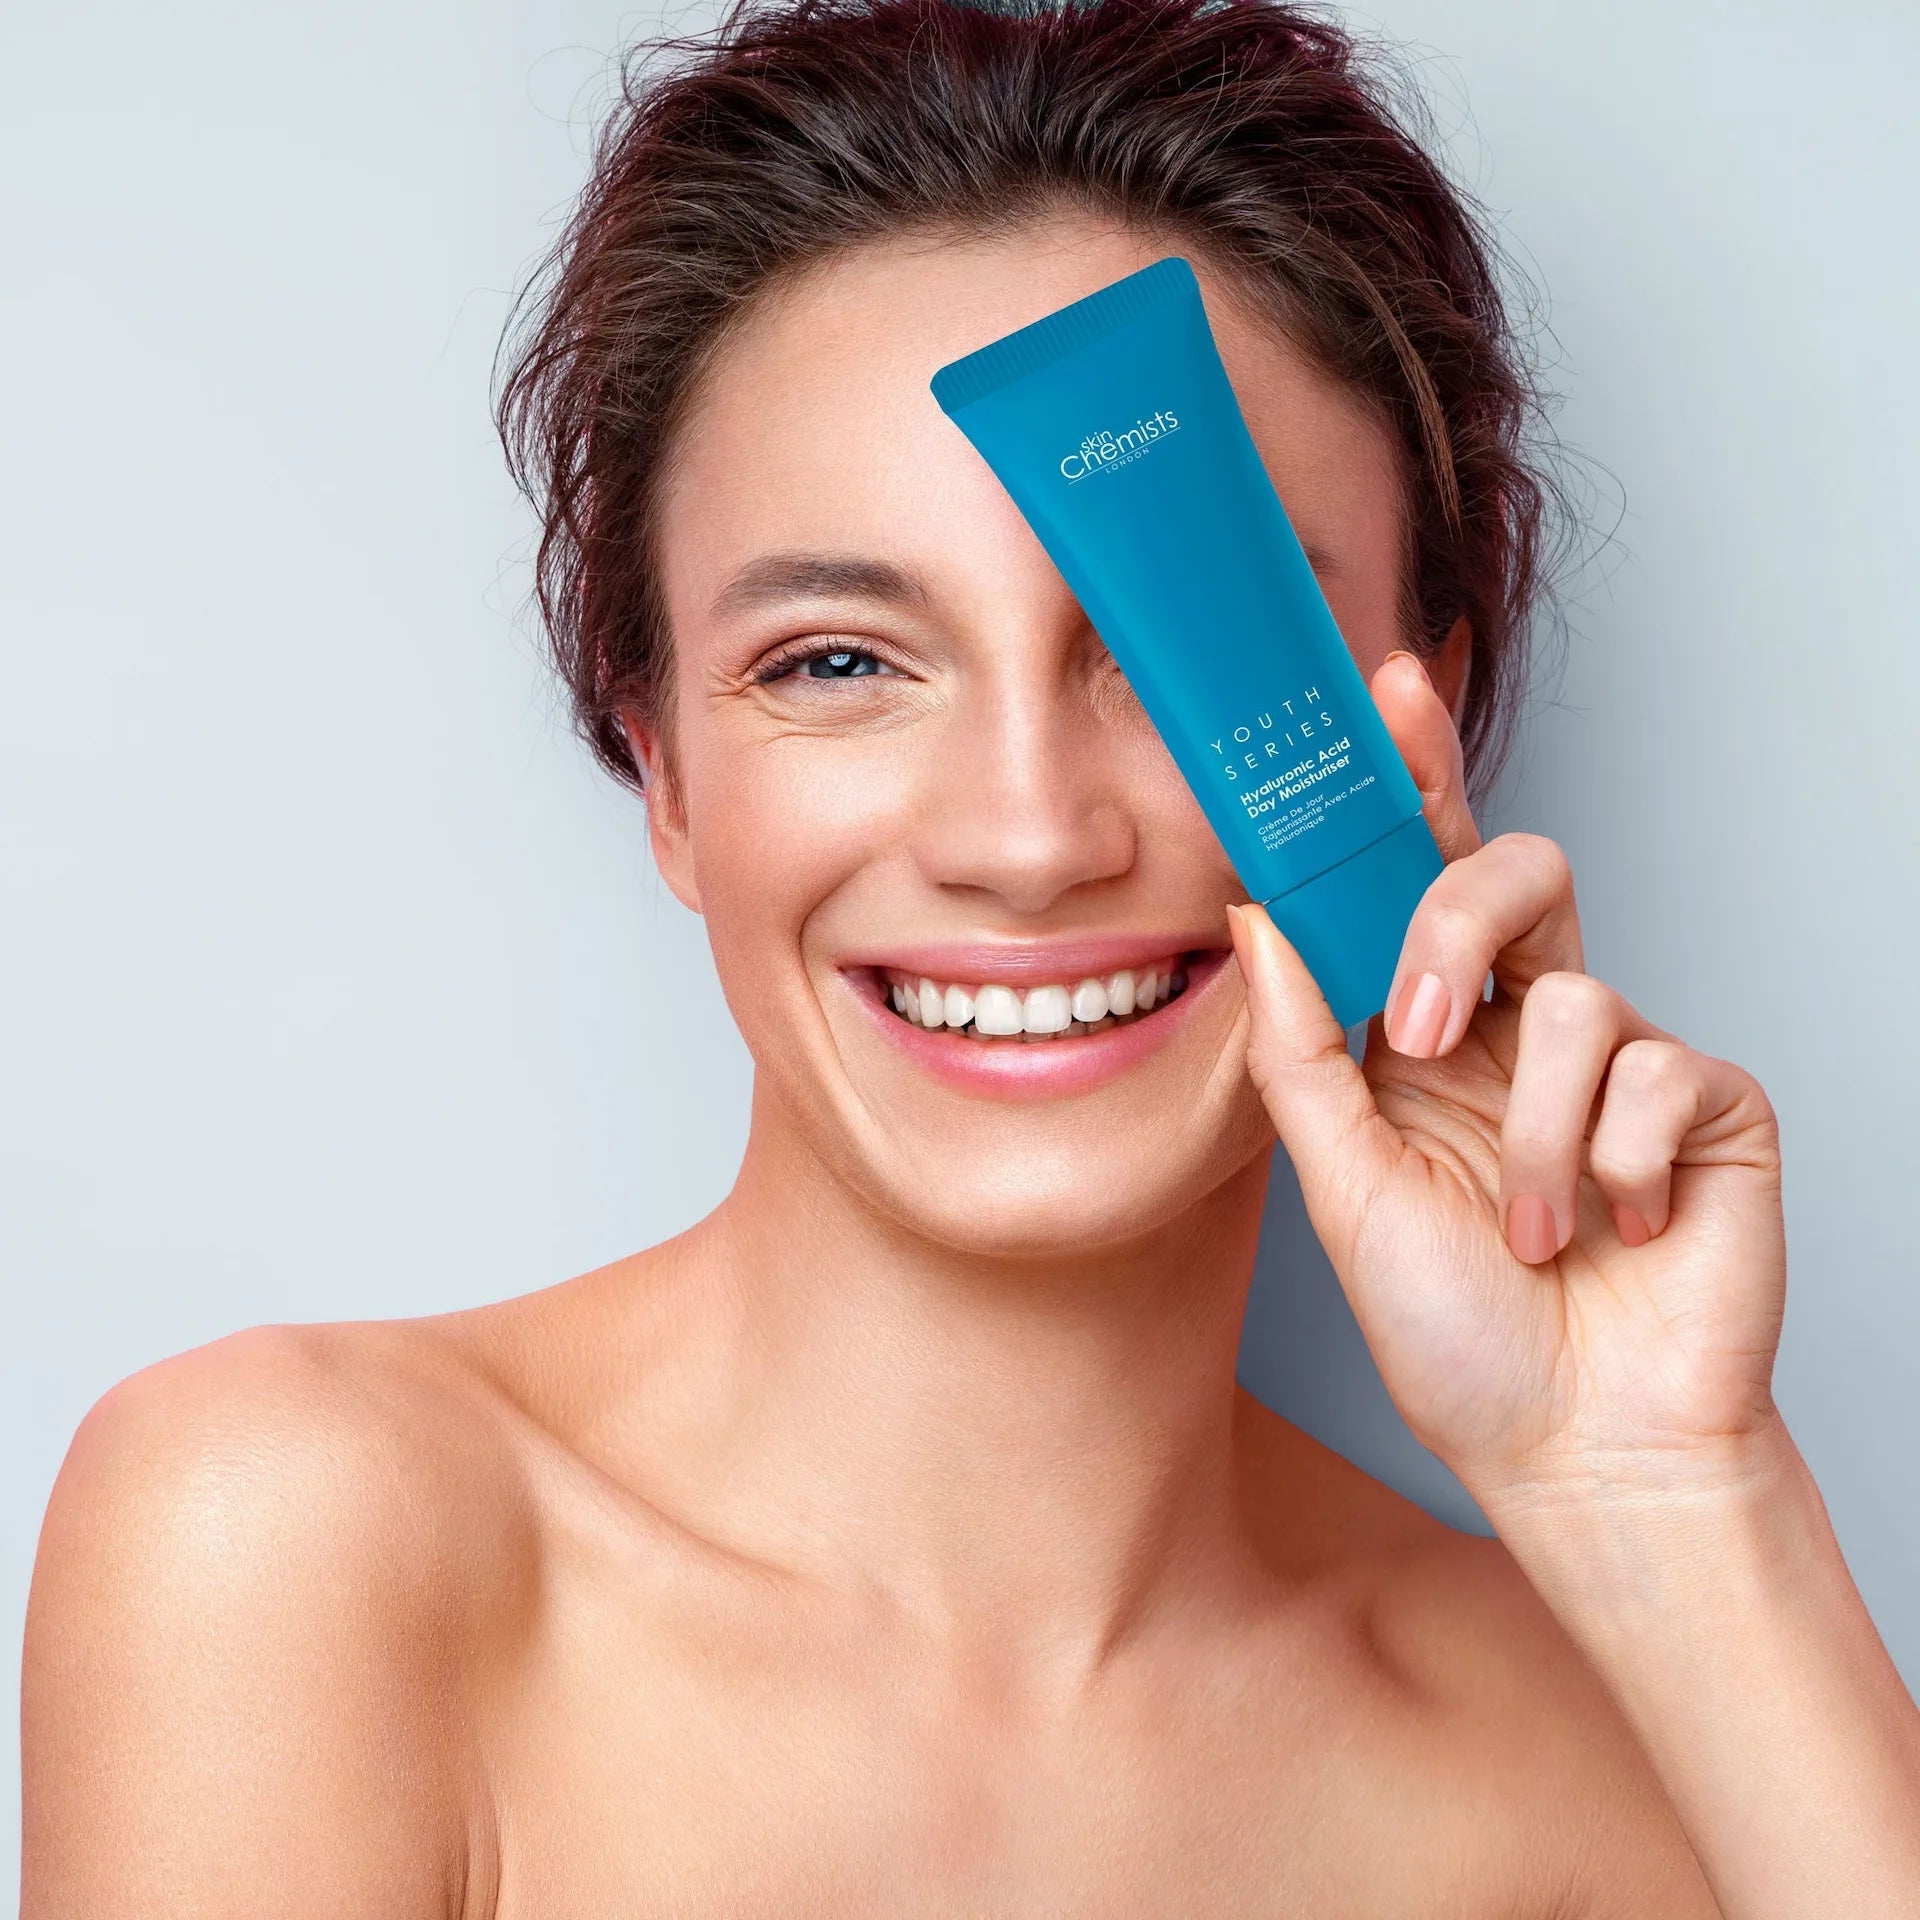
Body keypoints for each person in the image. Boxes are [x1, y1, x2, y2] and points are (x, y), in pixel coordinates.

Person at [22, 0, 1920, 1912]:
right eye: (837, 663)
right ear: (666, 774)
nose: (1030, 841)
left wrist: (1671, 1507)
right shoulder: (300, 1546)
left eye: (1179, 653)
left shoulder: (1603, 1762)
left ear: (1428, 731)